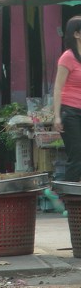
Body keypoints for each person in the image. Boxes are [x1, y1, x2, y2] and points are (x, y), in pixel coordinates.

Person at [54, 16, 81, 182]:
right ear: (77, 34)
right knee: (77, 154)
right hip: (69, 112)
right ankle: (70, 201)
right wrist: (56, 115)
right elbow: (57, 87)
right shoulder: (67, 57)